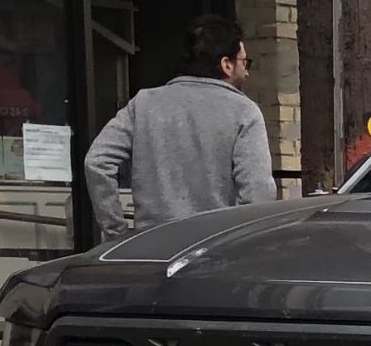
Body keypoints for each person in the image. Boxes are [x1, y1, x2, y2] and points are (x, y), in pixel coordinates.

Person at [81, 14, 276, 239]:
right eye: (245, 62)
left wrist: (116, 231)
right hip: (215, 247)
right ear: (226, 65)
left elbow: (96, 162)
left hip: (151, 247)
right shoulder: (244, 111)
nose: (248, 71)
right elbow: (259, 192)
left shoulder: (143, 103)